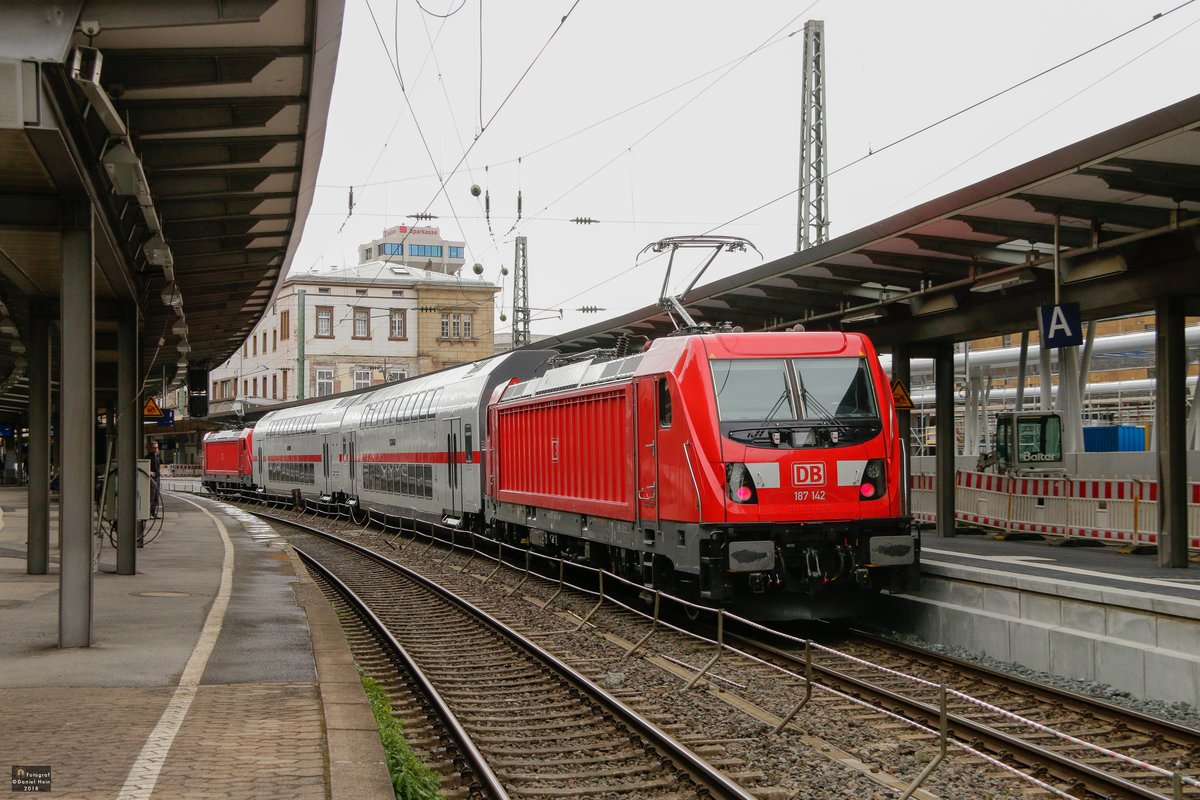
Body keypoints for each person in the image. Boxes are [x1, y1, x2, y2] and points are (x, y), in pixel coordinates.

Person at [146, 440, 161, 518]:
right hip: (152, 479)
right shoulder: (148, 457)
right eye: (154, 448)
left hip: (157, 478)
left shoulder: (157, 456)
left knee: (156, 496)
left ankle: (153, 512)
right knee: (151, 496)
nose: (156, 449)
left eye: (157, 448)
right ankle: (148, 512)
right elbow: (143, 466)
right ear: (151, 448)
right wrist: (149, 471)